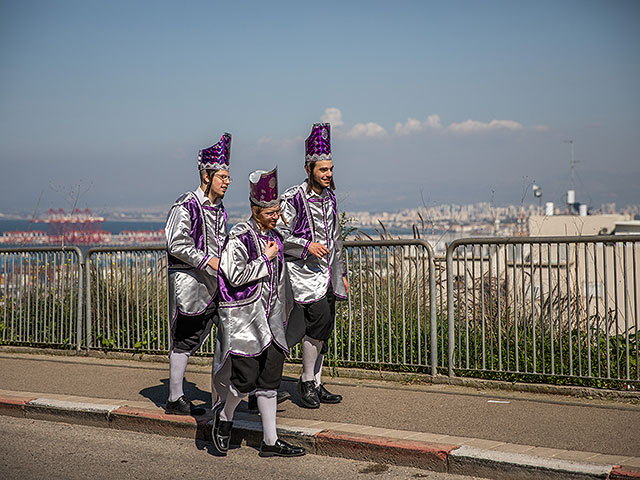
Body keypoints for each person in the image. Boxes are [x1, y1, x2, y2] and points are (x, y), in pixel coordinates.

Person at [210, 167, 305, 458]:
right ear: (255, 210)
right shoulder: (239, 236)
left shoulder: (276, 236)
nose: (275, 217)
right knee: (244, 381)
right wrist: (265, 258)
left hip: (273, 322)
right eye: (269, 212)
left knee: (269, 382)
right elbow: (233, 274)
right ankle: (224, 417)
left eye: (277, 211)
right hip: (246, 323)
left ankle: (270, 440)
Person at [278, 123, 349, 409]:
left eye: (330, 169)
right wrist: (306, 246)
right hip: (301, 276)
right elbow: (278, 234)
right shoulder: (292, 197)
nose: (328, 174)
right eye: (323, 170)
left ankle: (316, 382)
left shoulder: (330, 198)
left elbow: (336, 239)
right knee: (314, 325)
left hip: (327, 275)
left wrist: (341, 273)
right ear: (309, 169)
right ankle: (306, 380)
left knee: (325, 327)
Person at [164, 133, 232, 415]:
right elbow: (176, 243)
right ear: (207, 175)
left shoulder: (220, 208)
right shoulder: (186, 204)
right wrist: (207, 261)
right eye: (223, 177)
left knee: (228, 336)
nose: (227, 182)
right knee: (186, 339)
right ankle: (174, 397)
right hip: (191, 285)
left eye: (228, 177)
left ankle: (224, 396)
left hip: (218, 285)